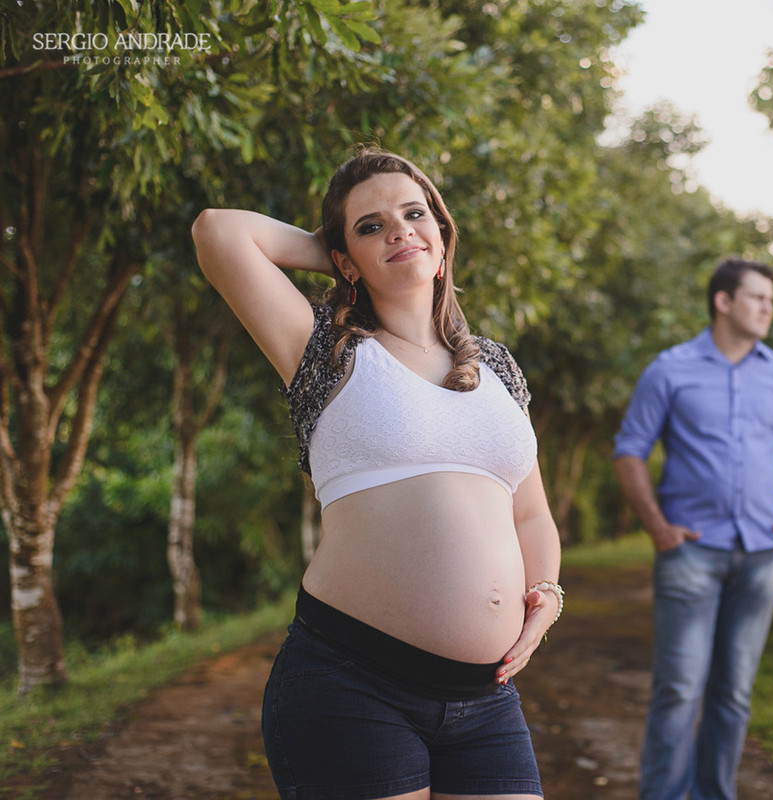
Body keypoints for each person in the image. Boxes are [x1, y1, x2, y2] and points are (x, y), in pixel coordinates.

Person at [191, 146, 562, 800]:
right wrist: (337, 247)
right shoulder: (324, 349)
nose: (397, 229)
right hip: (351, 684)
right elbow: (219, 231)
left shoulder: (497, 367)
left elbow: (529, 511)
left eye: (416, 214)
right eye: (371, 226)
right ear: (343, 258)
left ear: (445, 237)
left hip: (487, 700)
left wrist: (548, 595)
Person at [613, 257, 773, 800]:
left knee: (734, 694)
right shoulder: (670, 369)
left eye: (770, 301)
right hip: (691, 553)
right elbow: (630, 451)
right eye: (757, 297)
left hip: (763, 555)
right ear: (723, 301)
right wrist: (658, 527)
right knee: (680, 689)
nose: (767, 309)